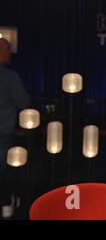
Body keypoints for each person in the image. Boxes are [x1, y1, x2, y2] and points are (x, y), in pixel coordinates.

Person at [0, 38, 30, 219]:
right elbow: (23, 103)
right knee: (3, 170)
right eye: (8, 51)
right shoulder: (10, 77)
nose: (10, 54)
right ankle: (5, 203)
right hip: (3, 132)